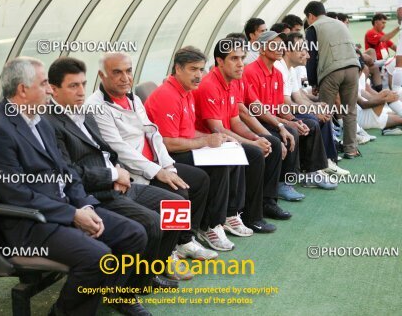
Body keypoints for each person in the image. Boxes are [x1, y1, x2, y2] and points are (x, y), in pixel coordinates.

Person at [0, 57, 148, 316]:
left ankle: (102, 301)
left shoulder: (39, 120)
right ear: (22, 90)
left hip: (62, 210)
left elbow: (66, 172)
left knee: (134, 234)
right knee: (99, 258)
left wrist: (85, 205)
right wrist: (73, 215)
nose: (50, 90)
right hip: (29, 224)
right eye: (44, 84)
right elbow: (16, 195)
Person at [46, 56, 200, 288]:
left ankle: (153, 270)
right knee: (153, 221)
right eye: (73, 86)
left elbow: (108, 150)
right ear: (53, 89)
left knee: (176, 204)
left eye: (81, 85)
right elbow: (71, 171)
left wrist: (116, 170)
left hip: (119, 180)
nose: (80, 92)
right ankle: (135, 285)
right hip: (98, 192)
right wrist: (113, 175)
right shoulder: (60, 120)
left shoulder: (84, 113)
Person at [86, 53, 211, 258]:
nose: (125, 78)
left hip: (154, 163)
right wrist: (158, 172)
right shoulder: (96, 107)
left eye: (128, 71)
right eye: (117, 72)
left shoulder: (131, 97)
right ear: (101, 75)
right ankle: (168, 253)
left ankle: (184, 239)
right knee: (179, 193)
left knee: (199, 181)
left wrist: (168, 166)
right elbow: (119, 149)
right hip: (133, 172)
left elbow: (153, 133)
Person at [145, 46, 254, 249]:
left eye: (201, 69)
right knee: (208, 173)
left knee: (231, 156)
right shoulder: (167, 95)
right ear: (178, 69)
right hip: (161, 158)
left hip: (174, 152)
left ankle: (215, 222)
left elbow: (186, 132)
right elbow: (168, 143)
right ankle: (202, 230)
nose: (199, 75)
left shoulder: (185, 91)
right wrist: (205, 141)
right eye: (193, 69)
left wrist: (215, 137)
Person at [194, 37, 289, 232]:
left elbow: (236, 120)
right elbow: (217, 129)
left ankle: (266, 202)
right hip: (207, 143)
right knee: (253, 153)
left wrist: (256, 138)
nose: (240, 64)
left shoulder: (234, 81)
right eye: (234, 58)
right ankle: (247, 215)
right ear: (219, 61)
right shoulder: (209, 85)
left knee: (271, 141)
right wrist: (252, 144)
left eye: (242, 58)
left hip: (224, 140)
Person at [244, 31, 336, 189]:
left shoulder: (277, 73)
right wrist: (285, 124)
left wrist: (293, 120)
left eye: (281, 45)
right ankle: (284, 182)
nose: (280, 48)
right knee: (291, 131)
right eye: (275, 44)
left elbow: (280, 106)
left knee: (306, 125)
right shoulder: (250, 72)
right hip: (257, 121)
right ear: (261, 49)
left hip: (271, 119)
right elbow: (257, 111)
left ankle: (312, 172)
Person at [275, 32, 349, 176]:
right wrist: (314, 111)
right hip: (279, 113)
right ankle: (314, 168)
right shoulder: (280, 68)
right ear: (288, 50)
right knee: (313, 119)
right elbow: (286, 103)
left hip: (285, 109)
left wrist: (316, 107)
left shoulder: (290, 68)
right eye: (302, 49)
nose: (307, 55)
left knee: (322, 112)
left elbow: (298, 97)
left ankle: (327, 160)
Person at [304, 1, 361, 159]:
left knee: (324, 112)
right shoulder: (340, 24)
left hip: (332, 70)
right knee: (350, 110)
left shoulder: (313, 28)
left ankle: (326, 153)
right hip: (353, 67)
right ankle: (351, 149)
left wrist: (313, 82)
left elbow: (311, 57)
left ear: (311, 16)